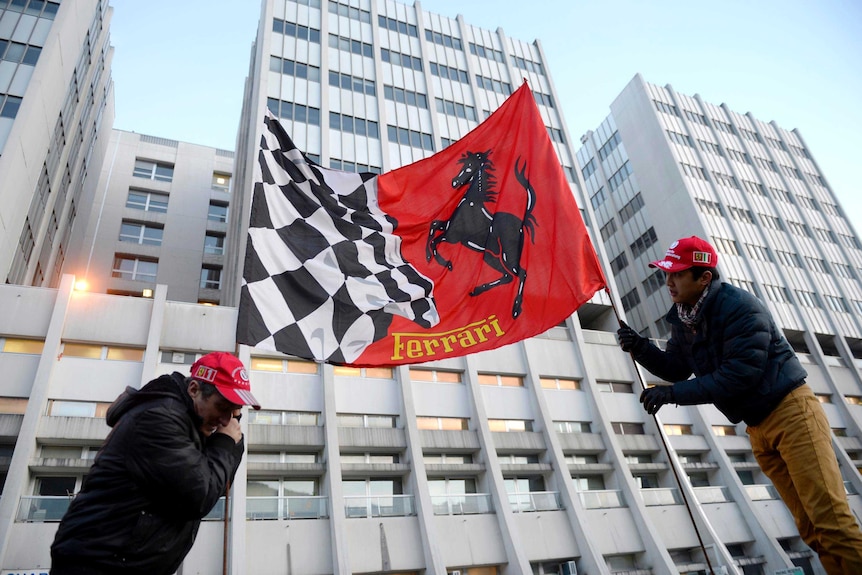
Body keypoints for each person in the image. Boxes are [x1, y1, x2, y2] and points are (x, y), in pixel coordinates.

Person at [617, 235, 862, 575]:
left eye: (676, 273)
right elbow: (676, 367)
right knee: (811, 530)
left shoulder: (741, 308)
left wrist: (671, 394)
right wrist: (640, 347)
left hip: (792, 415)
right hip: (758, 427)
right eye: (666, 273)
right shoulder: (686, 316)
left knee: (832, 523)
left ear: (704, 278)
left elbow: (737, 376)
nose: (668, 281)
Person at [50, 351, 260, 575]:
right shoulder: (159, 418)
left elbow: (216, 481)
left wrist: (223, 437)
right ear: (194, 390)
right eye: (222, 407)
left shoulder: (190, 424)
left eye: (235, 412)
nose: (227, 421)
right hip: (98, 564)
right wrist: (226, 442)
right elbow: (201, 493)